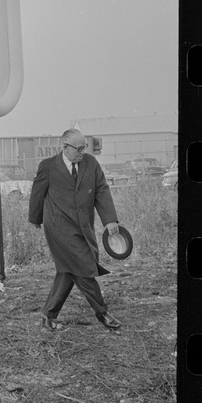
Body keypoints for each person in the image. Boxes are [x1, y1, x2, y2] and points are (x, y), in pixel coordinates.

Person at [28, 129, 122, 331]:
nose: (82, 152)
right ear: (65, 147)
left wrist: (110, 220)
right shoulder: (48, 167)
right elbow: (37, 193)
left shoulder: (91, 163)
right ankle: (102, 313)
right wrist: (35, 218)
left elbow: (101, 190)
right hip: (58, 228)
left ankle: (48, 315)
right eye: (78, 149)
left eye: (84, 147)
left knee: (68, 270)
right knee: (84, 268)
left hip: (83, 227)